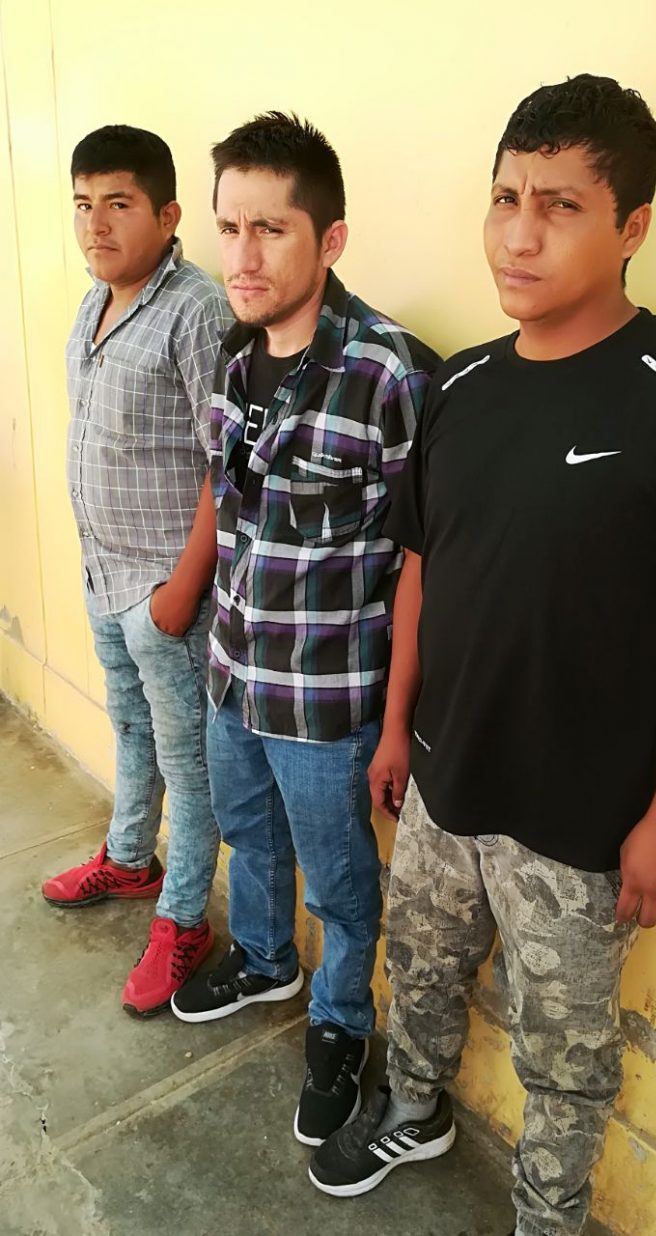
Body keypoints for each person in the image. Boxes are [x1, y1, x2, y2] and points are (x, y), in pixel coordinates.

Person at [309, 74, 656, 1236]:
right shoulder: (461, 386)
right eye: (505, 198)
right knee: (420, 968)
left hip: (582, 823)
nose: (518, 235)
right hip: (444, 779)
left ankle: (547, 1216)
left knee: (563, 1058)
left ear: (631, 226)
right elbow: (422, 568)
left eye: (560, 205)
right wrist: (396, 729)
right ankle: (413, 1108)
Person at [171, 112, 439, 1146]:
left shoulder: (387, 375)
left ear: (329, 240)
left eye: (270, 229)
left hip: (326, 702)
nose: (242, 256)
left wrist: (397, 721)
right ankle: (263, 959)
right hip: (234, 671)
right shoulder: (231, 354)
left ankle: (339, 1022)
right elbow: (230, 501)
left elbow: (424, 559)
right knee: (246, 832)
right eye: (229, 228)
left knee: (339, 881)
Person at [42, 125, 232, 1018]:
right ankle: (127, 859)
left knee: (190, 768)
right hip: (104, 576)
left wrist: (181, 592)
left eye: (118, 204)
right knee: (130, 732)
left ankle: (184, 918)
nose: (96, 225)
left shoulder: (197, 312)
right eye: (84, 205)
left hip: (164, 592)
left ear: (168, 214)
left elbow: (226, 463)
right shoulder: (96, 302)